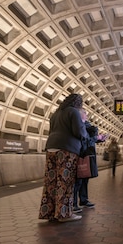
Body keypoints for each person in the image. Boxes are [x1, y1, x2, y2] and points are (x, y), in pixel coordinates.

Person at [38, 93, 88, 223]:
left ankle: (49, 212)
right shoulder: (74, 112)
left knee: (51, 182)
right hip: (67, 149)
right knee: (65, 182)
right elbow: (79, 131)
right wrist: (86, 133)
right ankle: (64, 214)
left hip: (51, 148)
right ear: (78, 103)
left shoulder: (56, 114)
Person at [73, 109, 108, 213]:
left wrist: (100, 138)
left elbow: (90, 138)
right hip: (81, 154)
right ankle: (74, 203)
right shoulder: (79, 126)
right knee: (78, 180)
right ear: (80, 115)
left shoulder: (87, 125)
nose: (87, 116)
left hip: (88, 154)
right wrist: (96, 137)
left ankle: (83, 200)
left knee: (85, 178)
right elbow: (84, 140)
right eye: (85, 114)